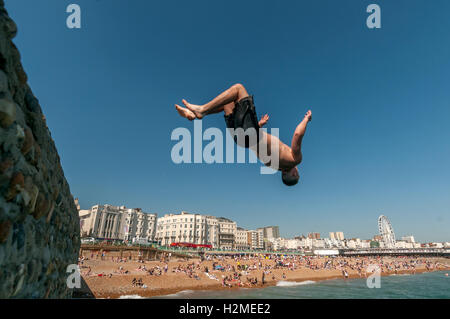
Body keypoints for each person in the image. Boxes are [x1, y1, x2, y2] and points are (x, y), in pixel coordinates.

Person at [175, 83, 312, 186]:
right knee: (228, 101)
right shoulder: (272, 165)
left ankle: (201, 110)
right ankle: (194, 115)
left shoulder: (295, 160)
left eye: (298, 173)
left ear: (294, 173)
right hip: (241, 140)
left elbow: (298, 135)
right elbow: (256, 145)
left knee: (238, 89)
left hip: (251, 135)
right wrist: (258, 125)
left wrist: (306, 119)